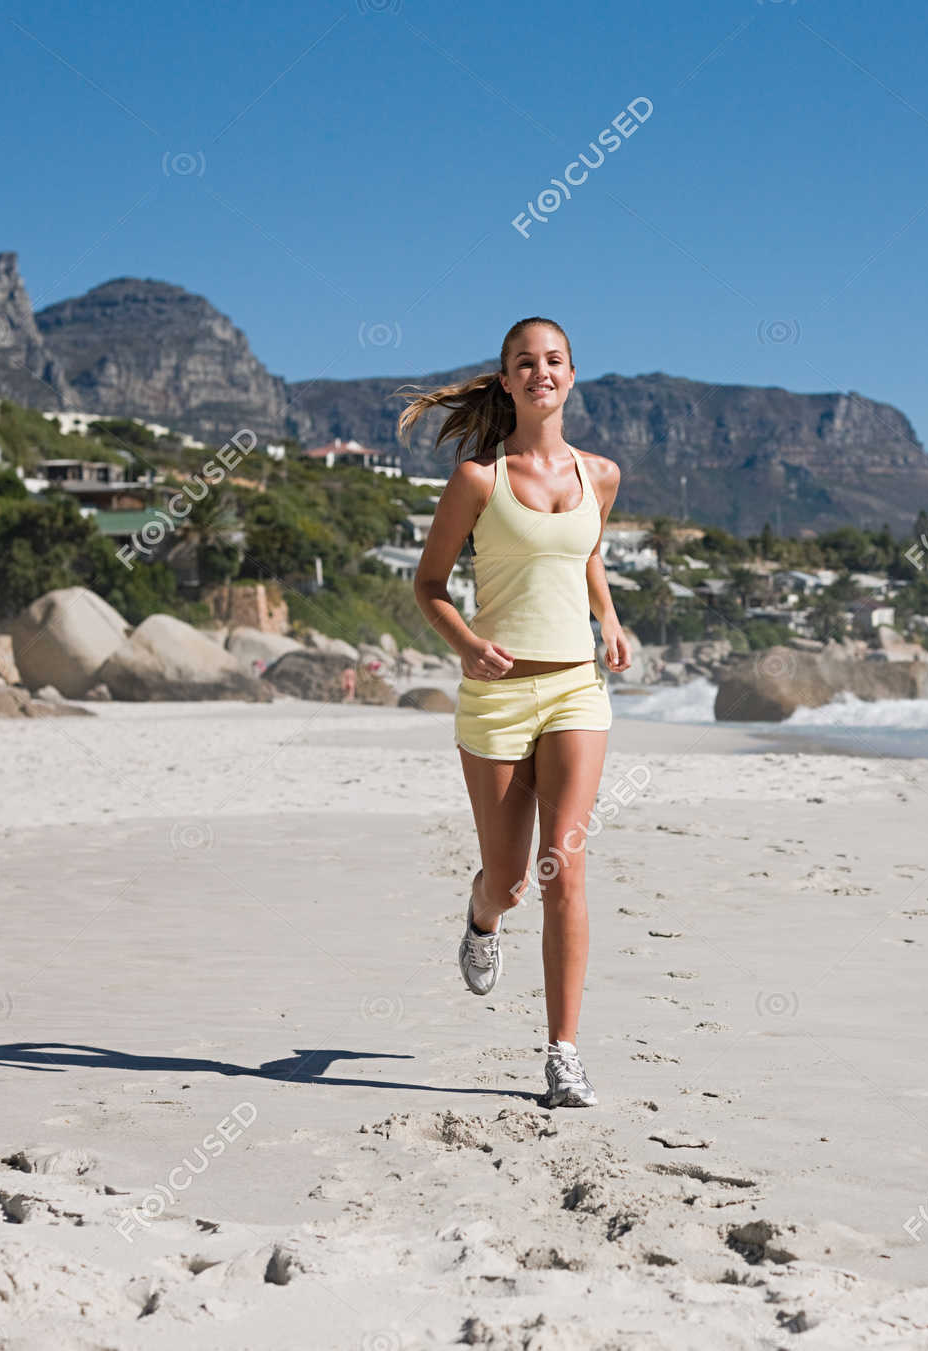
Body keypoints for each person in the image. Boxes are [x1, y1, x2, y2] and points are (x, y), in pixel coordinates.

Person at [402, 317, 630, 1108]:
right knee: (510, 880)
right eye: (524, 362)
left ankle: (563, 1053)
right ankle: (479, 911)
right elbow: (429, 585)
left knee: (564, 864)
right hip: (497, 699)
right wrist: (465, 643)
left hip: (576, 690)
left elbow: (587, 549)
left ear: (572, 375)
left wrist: (608, 618)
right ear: (506, 380)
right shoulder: (478, 481)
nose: (541, 371)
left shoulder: (601, 474)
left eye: (554, 360)